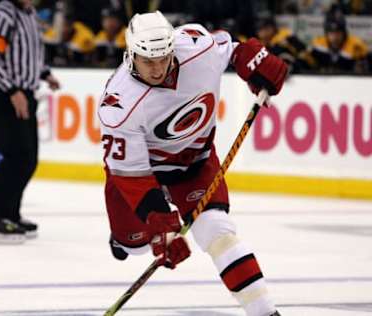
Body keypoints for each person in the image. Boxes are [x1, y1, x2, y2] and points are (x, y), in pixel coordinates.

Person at [98, 11, 287, 315]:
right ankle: (123, 241)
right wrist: (162, 226)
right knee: (132, 245)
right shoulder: (119, 104)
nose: (158, 69)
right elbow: (132, 176)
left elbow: (235, 50)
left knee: (218, 232)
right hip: (143, 175)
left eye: (164, 58)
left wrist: (256, 64)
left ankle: (265, 312)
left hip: (195, 165)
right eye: (148, 61)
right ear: (131, 54)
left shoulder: (197, 47)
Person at [0, 0, 60, 244]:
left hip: (24, 94)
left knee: (28, 159)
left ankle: (9, 214)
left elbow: (29, 53)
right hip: (3, 94)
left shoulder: (29, 14)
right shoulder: (3, 13)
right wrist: (12, 90)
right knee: (16, 156)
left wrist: (44, 73)